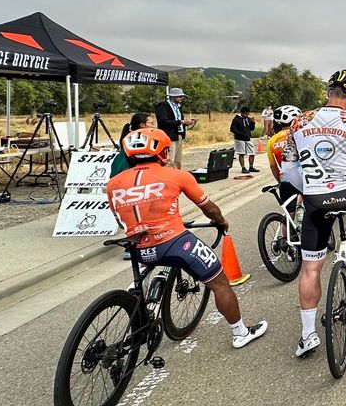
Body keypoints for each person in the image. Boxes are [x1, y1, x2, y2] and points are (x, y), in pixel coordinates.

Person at [107, 127, 267, 348]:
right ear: (163, 154)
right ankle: (240, 332)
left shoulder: (113, 183)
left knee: (139, 283)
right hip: (173, 242)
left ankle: (137, 322)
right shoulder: (177, 175)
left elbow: (120, 218)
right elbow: (208, 208)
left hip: (138, 247)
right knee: (220, 283)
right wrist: (221, 221)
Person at [280, 70, 346, 358]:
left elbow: (288, 170)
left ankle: (308, 334)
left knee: (311, 269)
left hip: (314, 199)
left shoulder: (299, 122)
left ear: (329, 92)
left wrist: (308, 188)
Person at [266, 105, 302, 203]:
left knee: (290, 214)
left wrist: (280, 182)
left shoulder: (272, 140)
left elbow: (273, 167)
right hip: (304, 179)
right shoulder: (300, 134)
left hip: (286, 180)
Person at [154, 87, 195, 169]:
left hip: (179, 134)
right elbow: (163, 122)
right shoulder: (163, 106)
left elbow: (179, 120)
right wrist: (182, 122)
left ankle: (177, 176)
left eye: (182, 96)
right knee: (170, 160)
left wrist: (186, 123)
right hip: (169, 136)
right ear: (173, 97)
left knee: (178, 160)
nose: (182, 98)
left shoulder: (178, 107)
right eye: (179, 96)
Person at [111, 112, 154, 177]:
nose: (154, 126)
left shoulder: (129, 136)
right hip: (129, 173)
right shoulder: (138, 139)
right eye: (151, 123)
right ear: (142, 125)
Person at [230, 106, 259, 174]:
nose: (247, 116)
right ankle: (243, 168)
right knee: (241, 154)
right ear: (241, 113)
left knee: (252, 153)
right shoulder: (236, 119)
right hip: (239, 139)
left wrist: (252, 123)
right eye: (245, 114)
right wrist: (241, 134)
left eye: (248, 114)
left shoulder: (248, 119)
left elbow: (251, 129)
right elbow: (232, 129)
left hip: (247, 138)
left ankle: (251, 167)